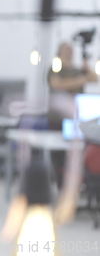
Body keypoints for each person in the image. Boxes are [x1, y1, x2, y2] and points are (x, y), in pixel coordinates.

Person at [47, 42, 98, 189]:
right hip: (57, 119)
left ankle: (76, 185)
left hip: (77, 120)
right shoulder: (55, 69)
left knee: (78, 153)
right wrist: (78, 81)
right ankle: (61, 185)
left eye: (71, 49)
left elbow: (95, 79)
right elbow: (56, 84)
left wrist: (87, 69)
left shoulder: (78, 70)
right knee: (59, 155)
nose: (69, 52)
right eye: (66, 49)